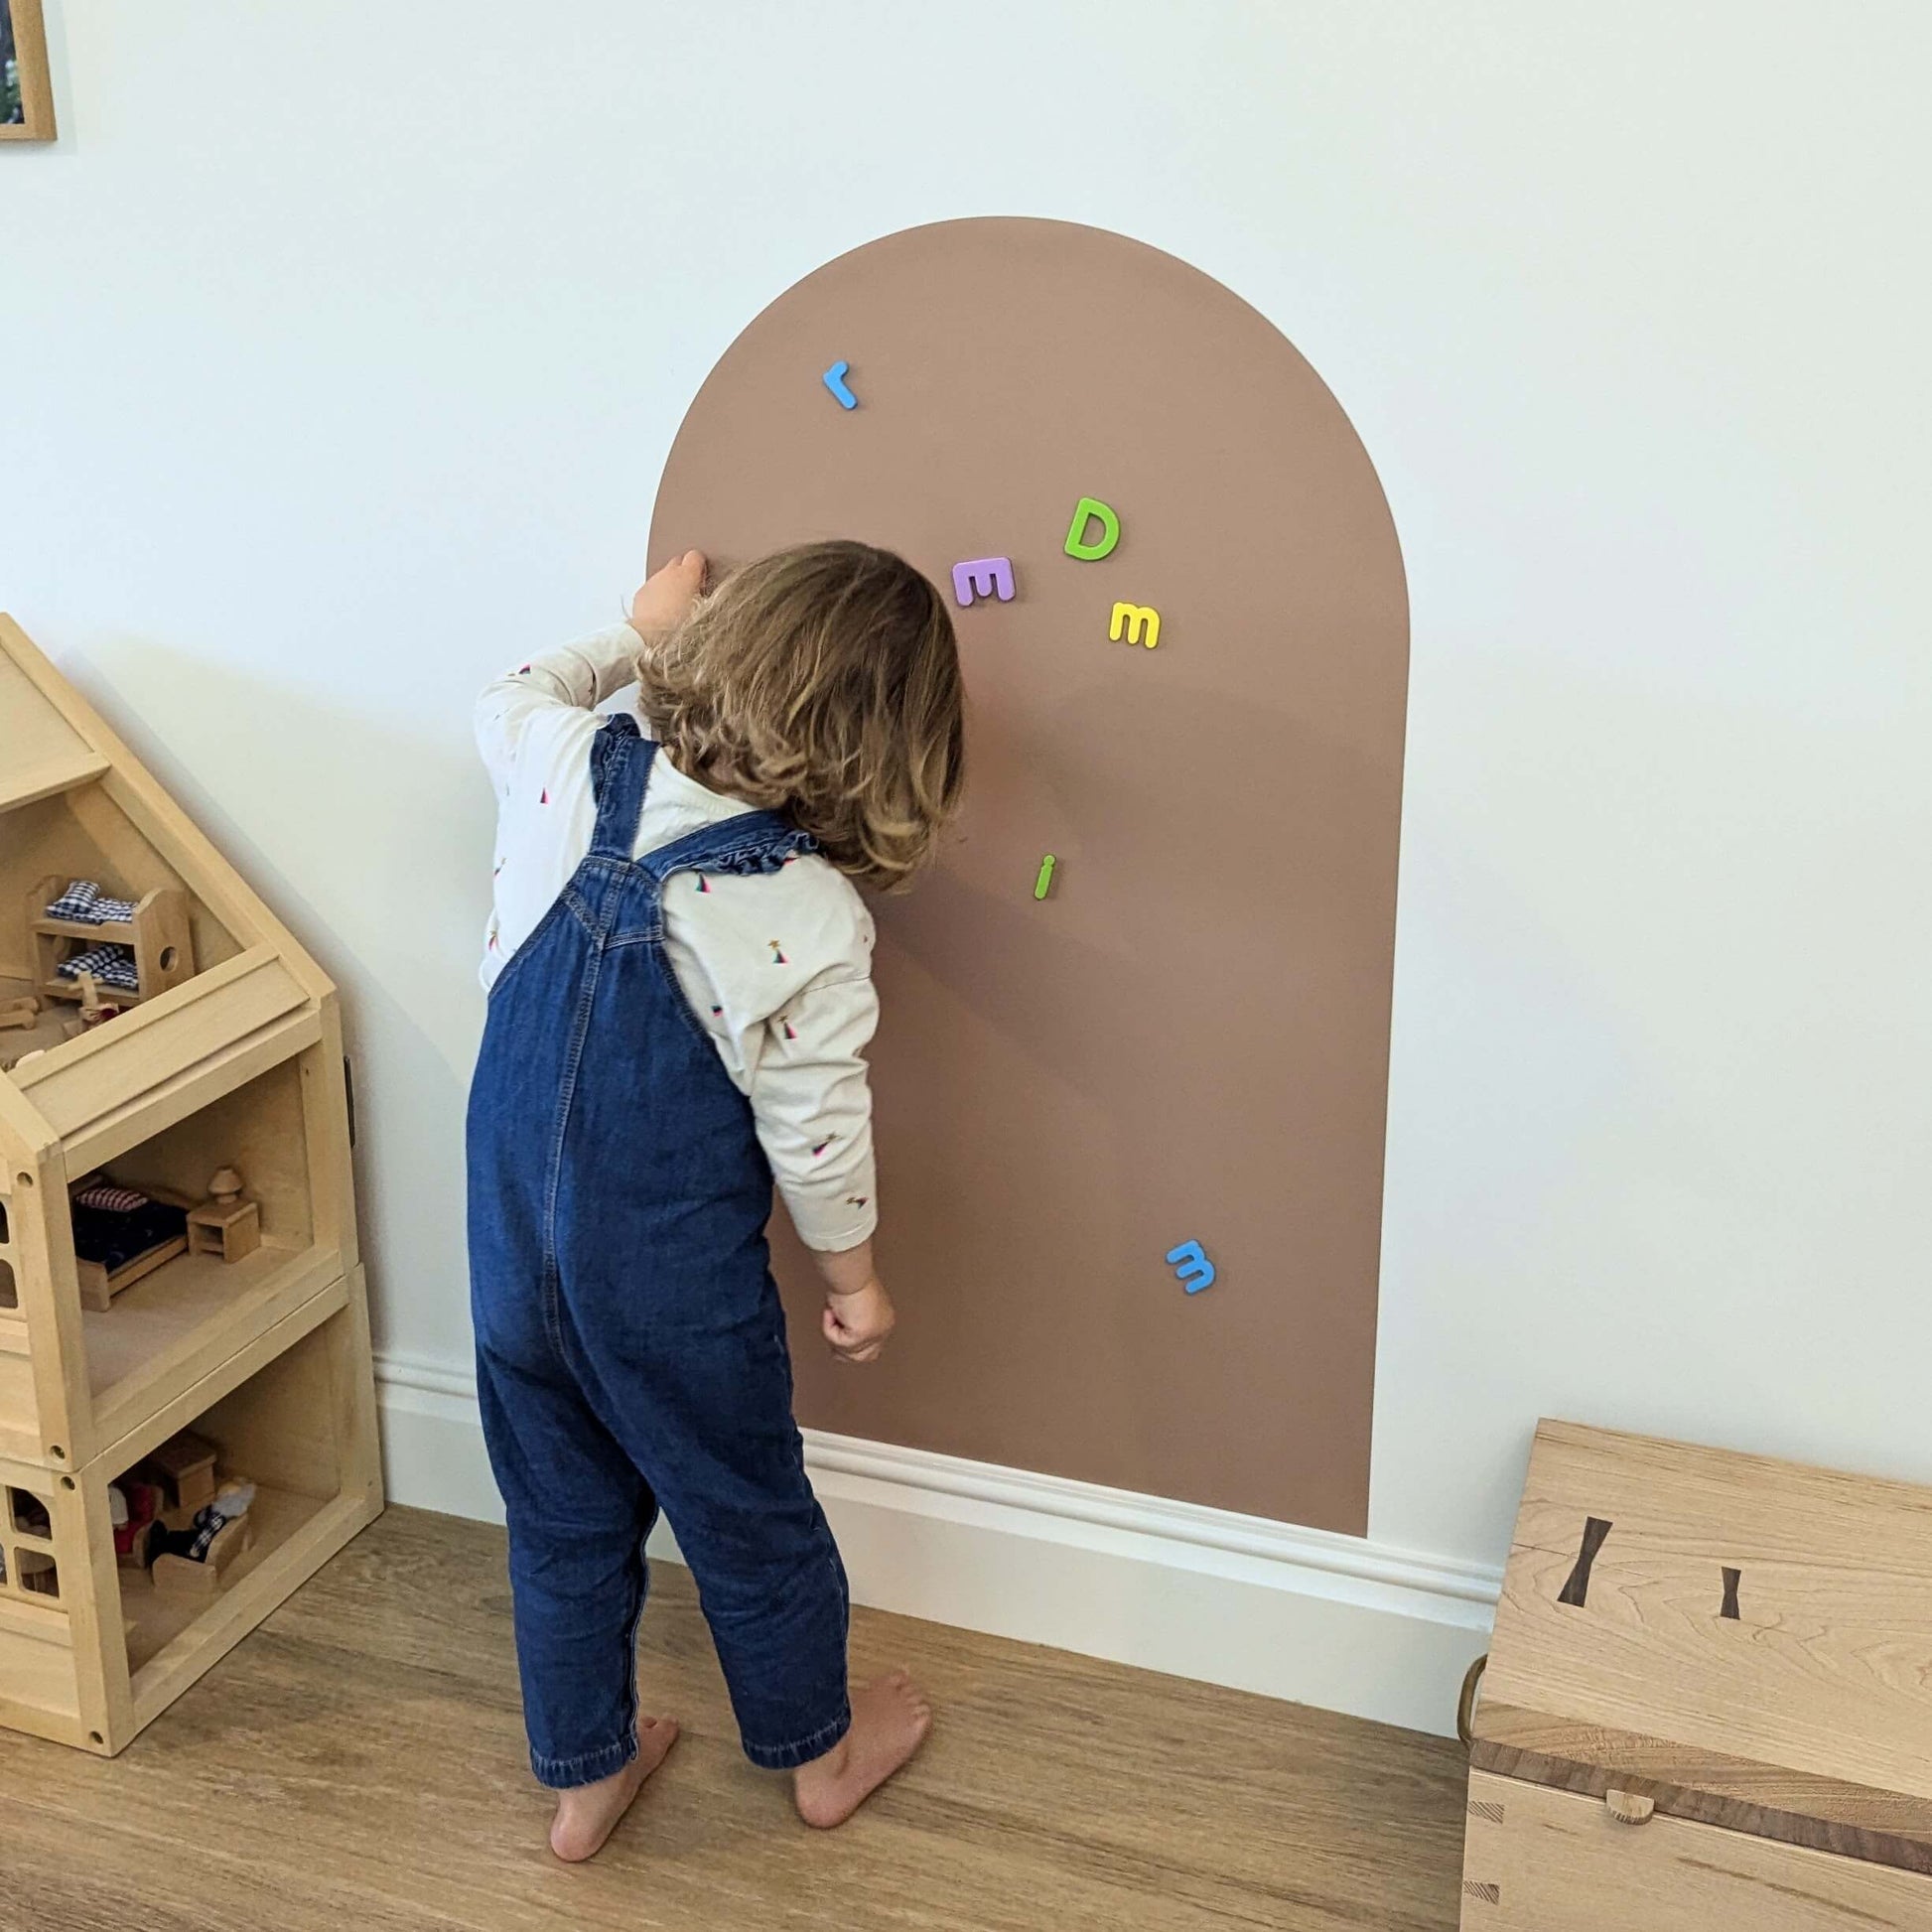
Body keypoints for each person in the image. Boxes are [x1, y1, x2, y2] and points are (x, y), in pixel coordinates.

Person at [469, 541, 965, 1861]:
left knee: (560, 1520)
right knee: (749, 1515)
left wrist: (636, 635)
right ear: (890, 745)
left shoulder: (564, 763)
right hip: (671, 1296)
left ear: (707, 648)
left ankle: (585, 1780)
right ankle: (820, 1750)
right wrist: (853, 1280)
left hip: (512, 1259)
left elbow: (502, 694)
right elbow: (816, 1140)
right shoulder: (802, 907)